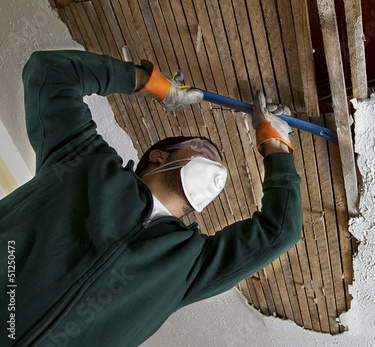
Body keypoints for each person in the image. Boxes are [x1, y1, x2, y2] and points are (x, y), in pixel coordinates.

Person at [0, 50, 302, 346]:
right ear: (159, 156)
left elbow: (280, 230)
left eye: (218, 168)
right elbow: (49, 72)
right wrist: (148, 82)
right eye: (204, 152)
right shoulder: (85, 160)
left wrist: (275, 144)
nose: (214, 170)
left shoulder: (189, 266)